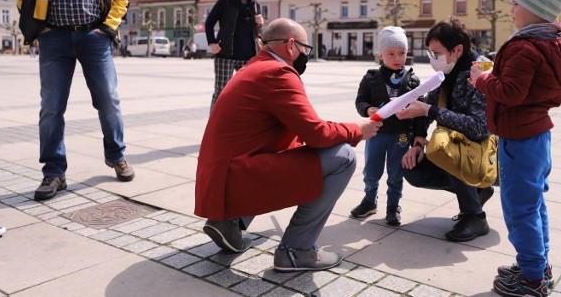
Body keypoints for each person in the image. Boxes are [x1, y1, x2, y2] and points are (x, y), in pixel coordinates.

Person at [194, 18, 382, 272]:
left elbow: (303, 128)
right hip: (235, 178)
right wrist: (357, 130)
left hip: (220, 179)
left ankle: (228, 221)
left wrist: (338, 130)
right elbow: (316, 134)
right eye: (306, 49)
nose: (306, 56)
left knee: (309, 149)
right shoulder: (278, 73)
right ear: (292, 45)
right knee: (344, 157)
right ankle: (296, 250)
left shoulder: (255, 67)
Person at [470, 0, 561, 297]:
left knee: (519, 209)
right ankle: (537, 265)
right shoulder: (559, 45)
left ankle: (532, 281)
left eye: (515, 3)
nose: (511, 10)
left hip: (518, 138)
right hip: (538, 135)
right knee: (534, 205)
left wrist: (481, 79)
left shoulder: (523, 47)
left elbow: (510, 92)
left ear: (535, 6)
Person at [15, 0, 135, 202]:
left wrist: (106, 28)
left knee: (108, 100)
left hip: (93, 38)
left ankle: (116, 154)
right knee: (51, 107)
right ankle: (53, 172)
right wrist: (39, 27)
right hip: (54, 39)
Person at [396, 17, 494, 242]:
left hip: (489, 155)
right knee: (413, 168)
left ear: (457, 50)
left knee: (447, 147)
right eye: (429, 53)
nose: (432, 59)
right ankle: (477, 192)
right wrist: (418, 141)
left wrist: (430, 111)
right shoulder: (446, 74)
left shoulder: (482, 71)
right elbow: (426, 105)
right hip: (462, 148)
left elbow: (480, 128)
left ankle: (475, 216)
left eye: (436, 53)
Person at [351, 26, 425, 226]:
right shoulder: (370, 78)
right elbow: (360, 101)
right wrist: (367, 110)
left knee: (396, 172)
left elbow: (420, 112)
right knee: (371, 171)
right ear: (381, 54)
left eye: (402, 53)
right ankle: (369, 200)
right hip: (376, 133)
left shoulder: (413, 80)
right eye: (391, 53)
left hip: (401, 136)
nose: (397, 58)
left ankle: (393, 205)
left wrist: (419, 134)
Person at [205, 0, 264, 110]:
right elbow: (209, 22)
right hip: (226, 55)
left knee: (247, 92)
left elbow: (256, 33)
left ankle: (239, 123)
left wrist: (260, 25)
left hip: (248, 57)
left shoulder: (255, 5)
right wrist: (212, 43)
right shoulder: (226, 0)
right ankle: (215, 125)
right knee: (221, 92)